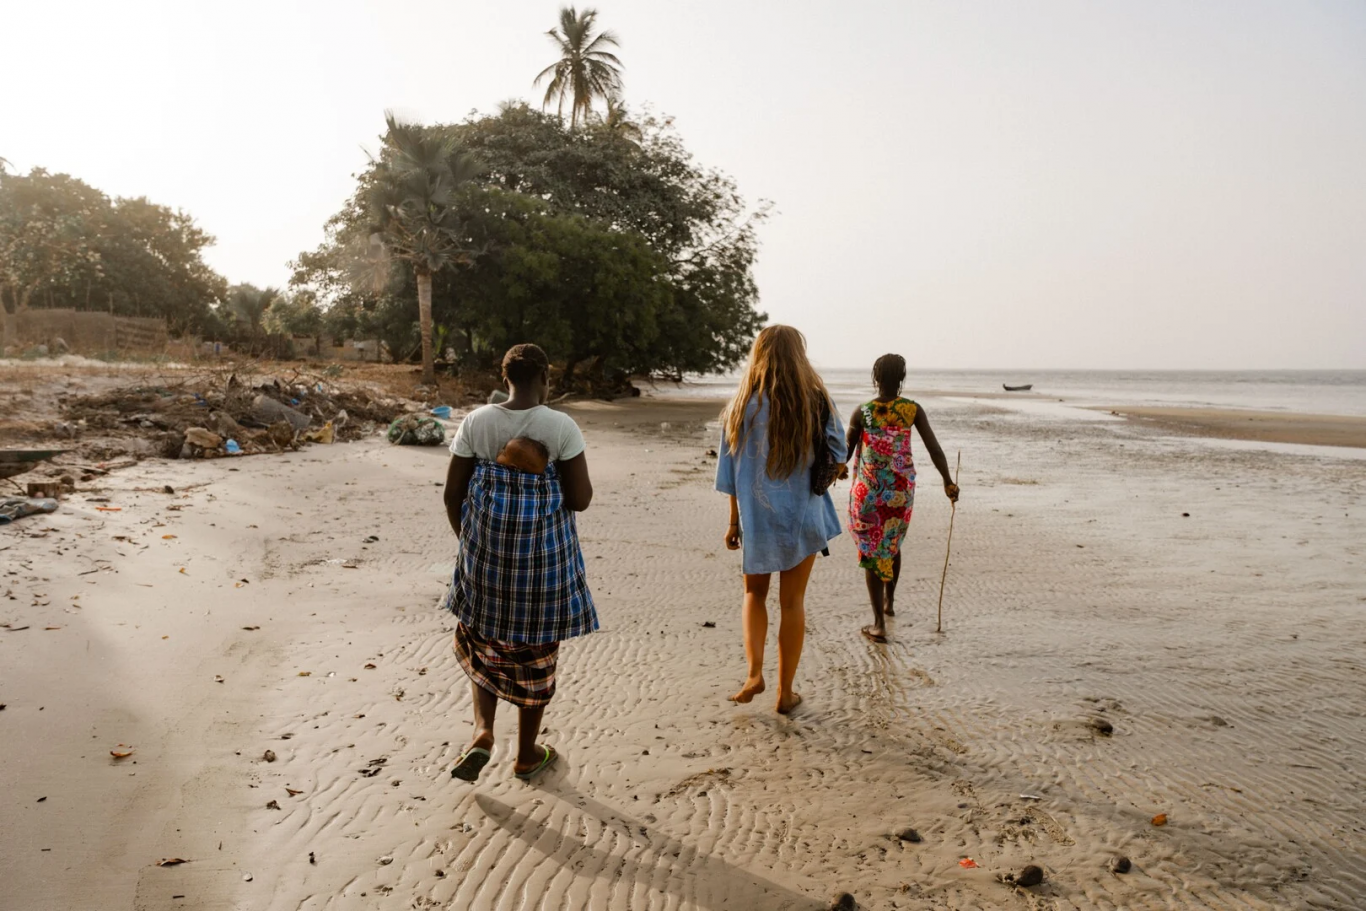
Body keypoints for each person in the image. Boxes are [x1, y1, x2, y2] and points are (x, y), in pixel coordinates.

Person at [441, 343, 596, 782]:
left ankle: (482, 731)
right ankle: (526, 753)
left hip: (485, 566)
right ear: (546, 377)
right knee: (536, 656)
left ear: (503, 377)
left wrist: (472, 546)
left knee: (483, 645)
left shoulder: (476, 421)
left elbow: (452, 495)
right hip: (543, 569)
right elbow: (580, 499)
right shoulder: (560, 426)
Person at [716, 325, 847, 715]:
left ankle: (754, 674)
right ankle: (785, 693)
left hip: (756, 518)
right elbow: (839, 452)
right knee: (792, 602)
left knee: (753, 595)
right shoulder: (815, 400)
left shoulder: (742, 405)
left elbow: (730, 473)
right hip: (802, 517)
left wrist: (734, 523)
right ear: (799, 357)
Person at [844, 354, 959, 643]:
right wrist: (947, 481)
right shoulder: (911, 410)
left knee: (871, 551)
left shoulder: (863, 412)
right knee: (892, 542)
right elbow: (934, 448)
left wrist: (831, 472)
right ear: (902, 378)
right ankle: (890, 602)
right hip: (900, 491)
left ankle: (879, 624)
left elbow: (844, 451)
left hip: (869, 492)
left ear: (875, 377)